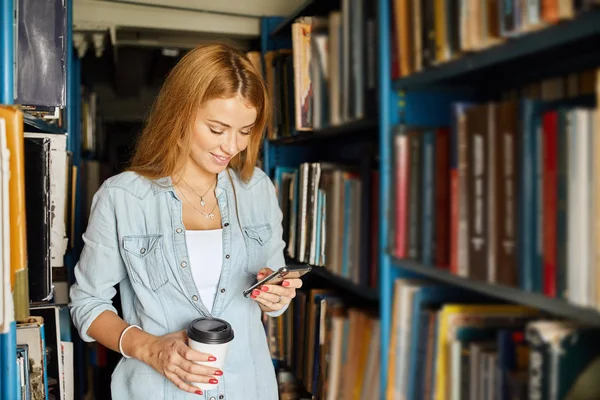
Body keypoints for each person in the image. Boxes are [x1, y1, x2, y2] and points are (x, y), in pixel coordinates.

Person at [69, 43, 302, 400]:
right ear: (181, 112)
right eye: (217, 128)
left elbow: (273, 287)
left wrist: (276, 296)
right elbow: (88, 304)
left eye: (245, 131)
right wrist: (149, 349)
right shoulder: (122, 197)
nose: (231, 146)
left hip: (249, 388)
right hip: (157, 390)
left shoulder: (258, 190)